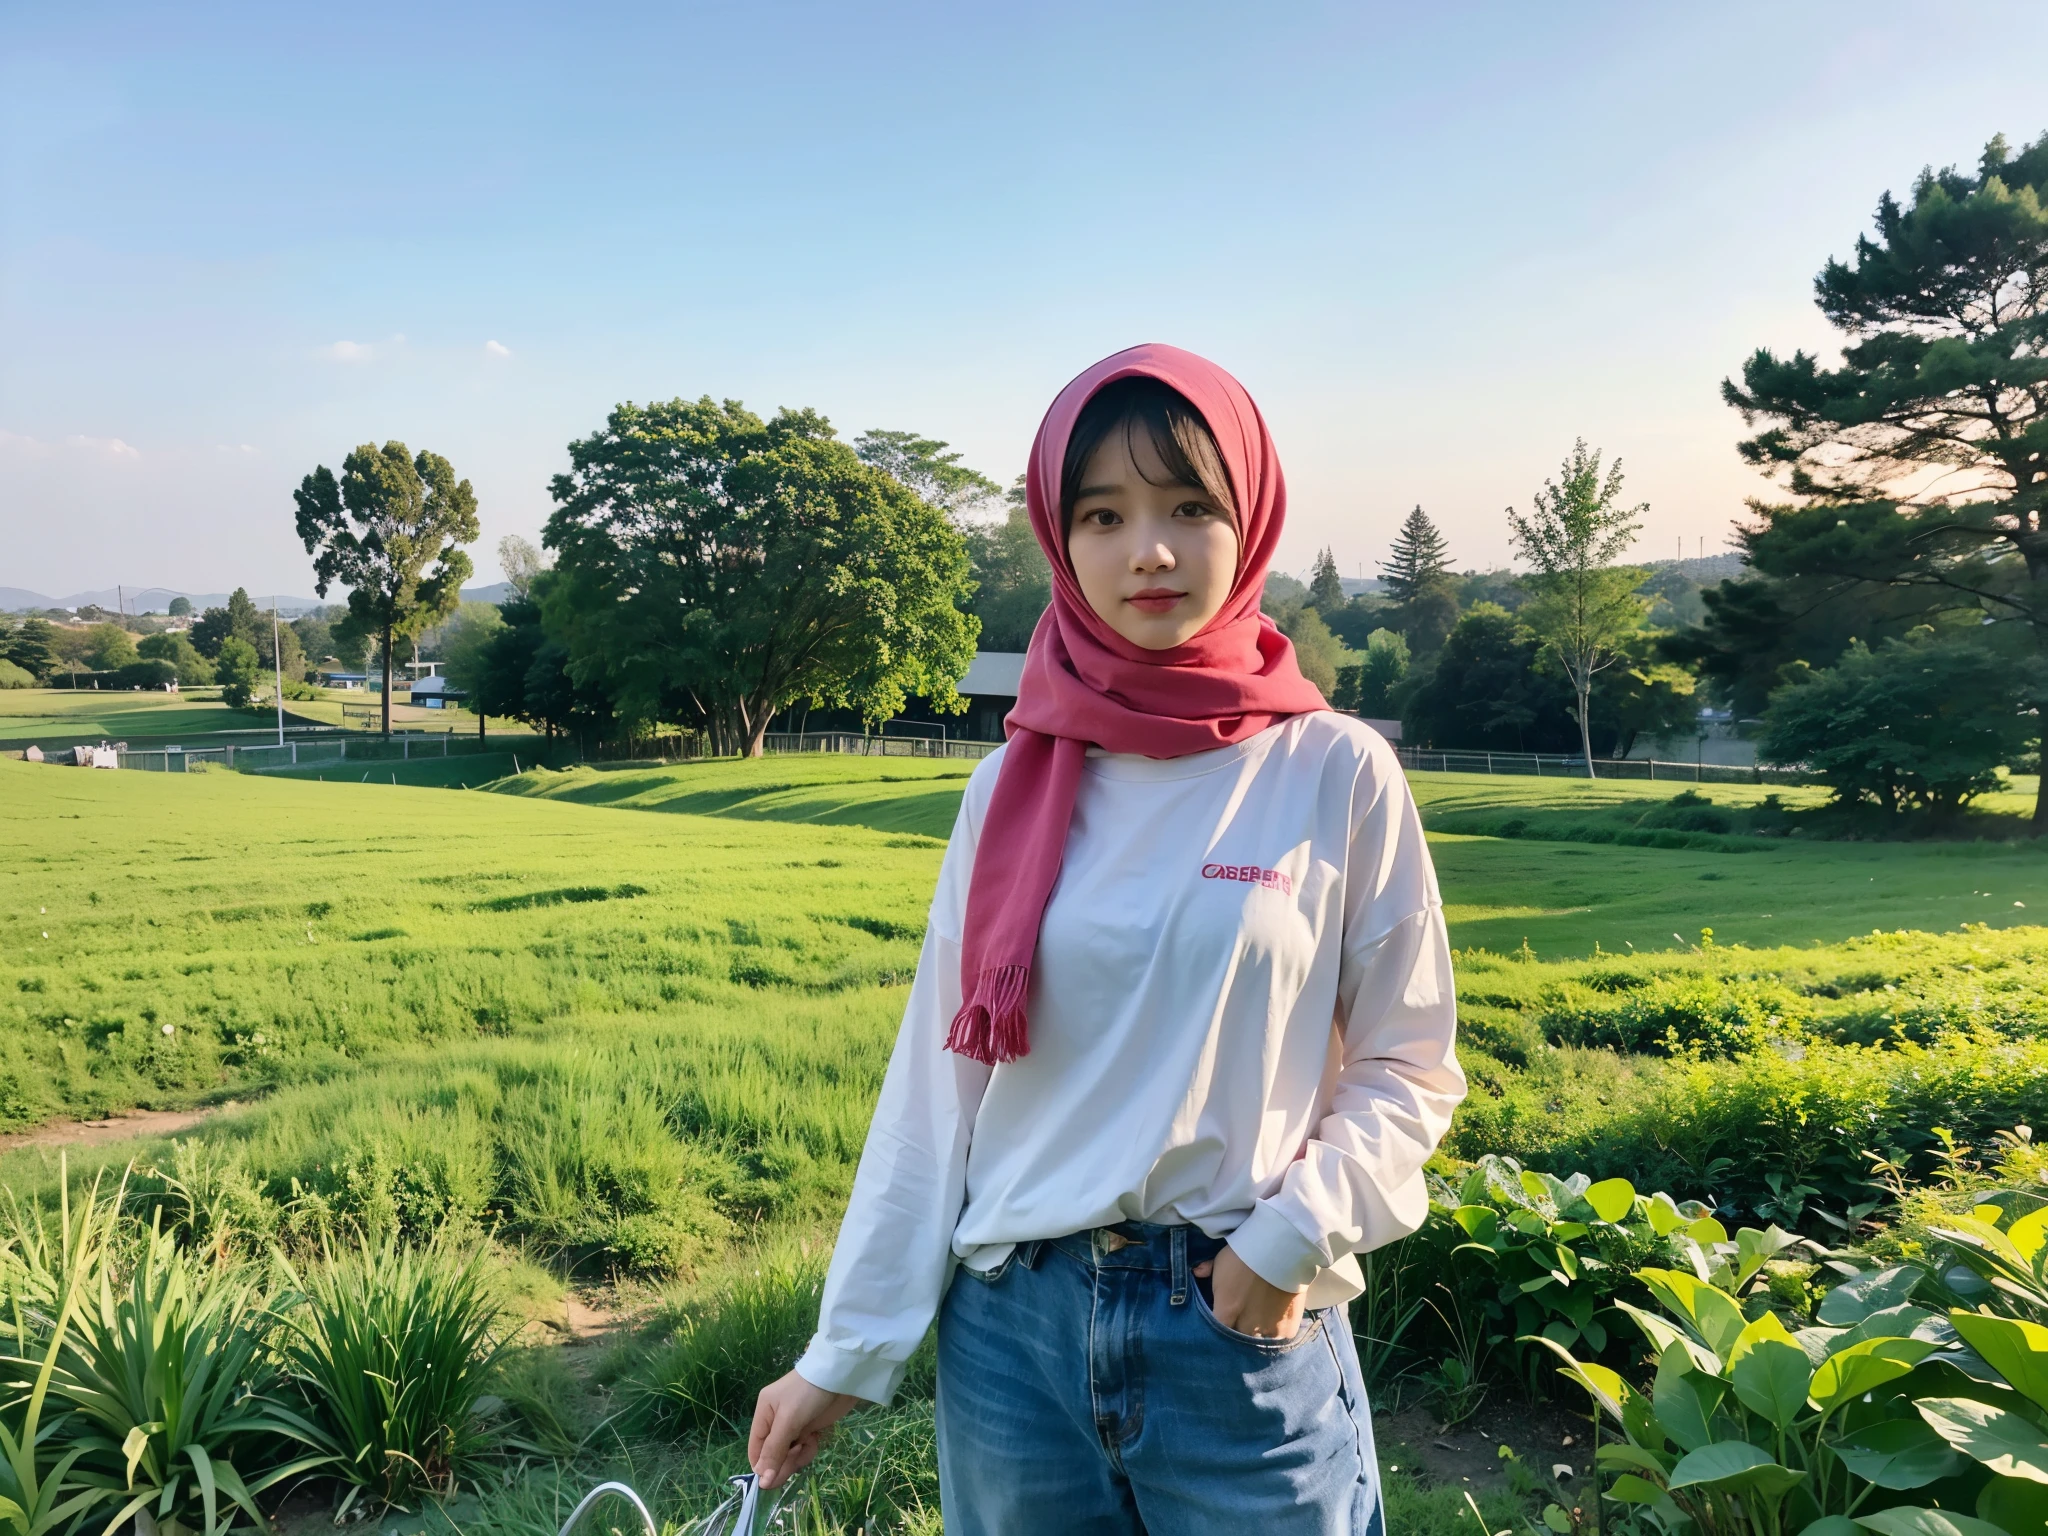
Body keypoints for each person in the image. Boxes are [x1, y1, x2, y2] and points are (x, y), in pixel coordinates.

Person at [748, 343, 1464, 1534]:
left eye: (1190, 507)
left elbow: (1409, 1061)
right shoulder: (1010, 785)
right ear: (1056, 535)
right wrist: (847, 1347)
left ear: (1251, 518)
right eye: (1103, 513)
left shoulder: (1331, 769)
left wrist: (1282, 1248)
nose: (1149, 550)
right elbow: (938, 1088)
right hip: (1011, 1346)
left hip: (1237, 1329)